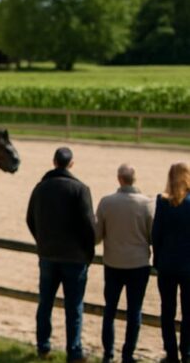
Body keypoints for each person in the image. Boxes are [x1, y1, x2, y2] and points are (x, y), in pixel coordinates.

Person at [26, 147, 95, 363]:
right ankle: (74, 352)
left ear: (54, 162)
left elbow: (30, 219)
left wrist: (42, 242)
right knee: (74, 307)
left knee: (45, 303)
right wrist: (88, 253)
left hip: (47, 255)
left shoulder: (40, 188)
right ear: (71, 163)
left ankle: (43, 347)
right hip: (74, 258)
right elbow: (89, 226)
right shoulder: (80, 189)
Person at [95, 164, 154, 363]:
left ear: (119, 179)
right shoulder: (147, 203)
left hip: (113, 263)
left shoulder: (107, 202)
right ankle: (128, 354)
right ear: (134, 179)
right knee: (134, 311)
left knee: (109, 309)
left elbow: (97, 236)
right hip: (138, 264)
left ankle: (108, 353)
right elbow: (152, 235)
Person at [152, 162, 190, 363]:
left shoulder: (162, 201)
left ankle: (171, 353)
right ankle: (187, 352)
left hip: (167, 264)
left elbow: (156, 234)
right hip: (188, 266)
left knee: (167, 311)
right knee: (188, 312)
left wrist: (157, 259)